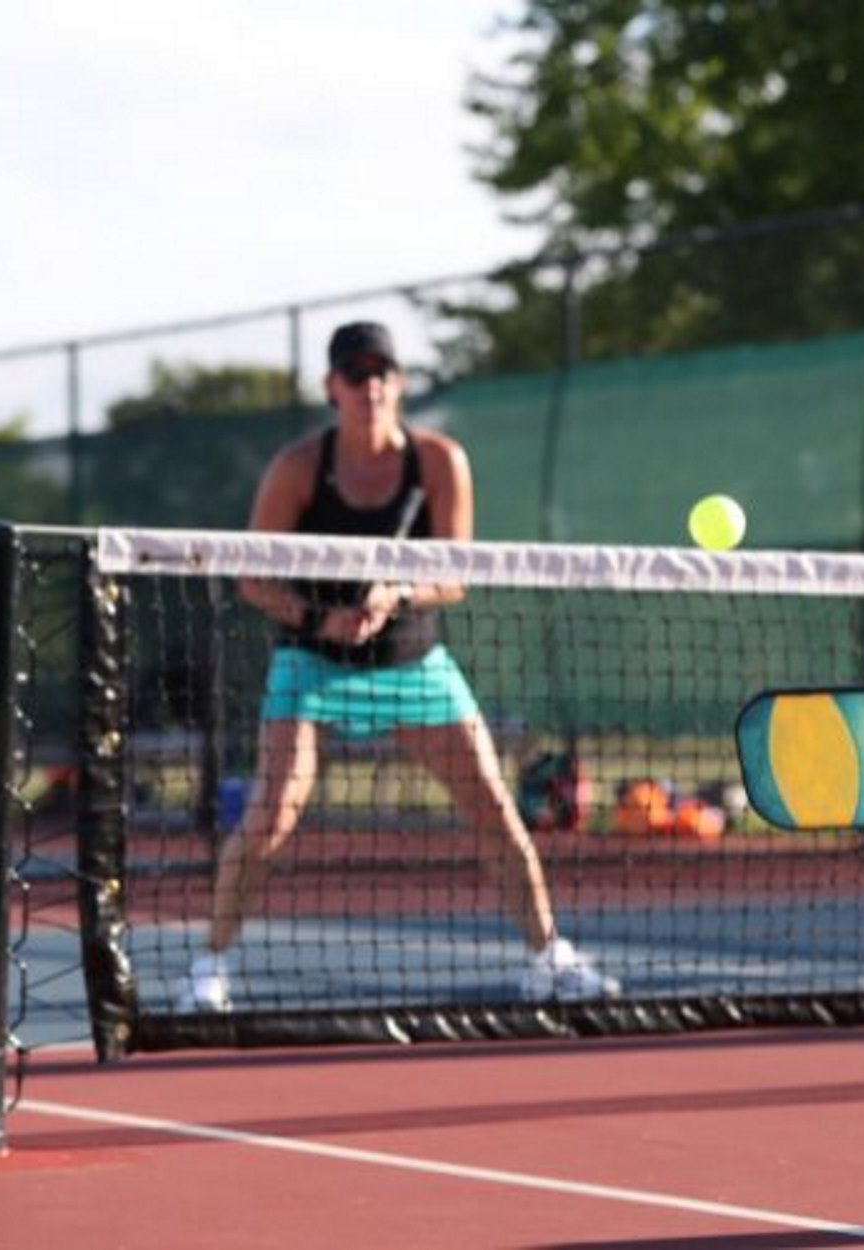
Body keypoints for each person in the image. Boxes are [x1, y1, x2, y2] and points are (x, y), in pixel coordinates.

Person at [180, 322, 616, 1011]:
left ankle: (548, 957)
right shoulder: (298, 469)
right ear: (332, 389)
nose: (371, 386)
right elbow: (251, 578)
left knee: (496, 810)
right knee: (271, 814)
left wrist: (398, 594)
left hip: (413, 662)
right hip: (312, 664)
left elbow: (456, 576)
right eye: (355, 374)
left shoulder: (439, 461)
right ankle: (209, 970)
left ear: (400, 383)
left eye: (382, 372)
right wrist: (316, 618)